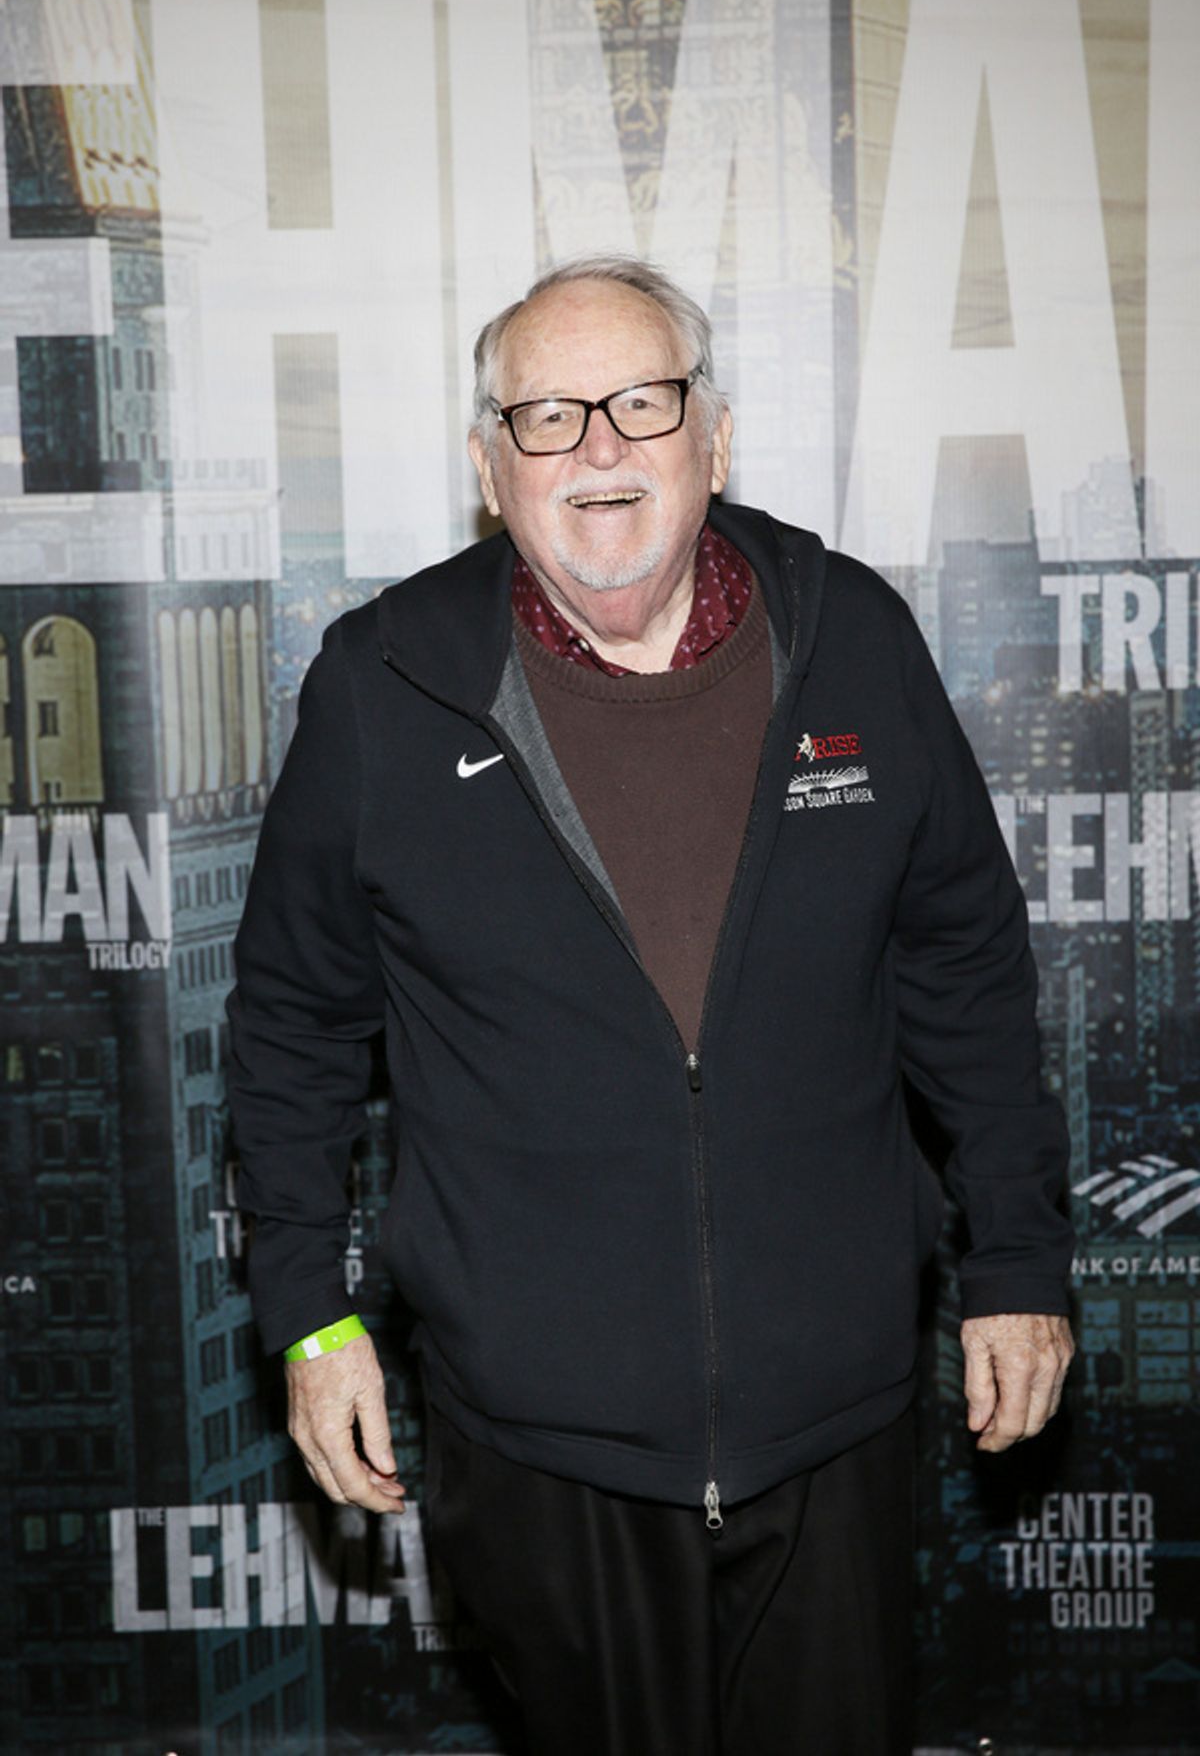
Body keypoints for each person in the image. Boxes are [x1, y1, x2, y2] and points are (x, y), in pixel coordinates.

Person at [228, 254, 1074, 1754]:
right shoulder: (382, 687)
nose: (600, 450)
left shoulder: (854, 636)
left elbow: (967, 968)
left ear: (717, 439)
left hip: (837, 1426)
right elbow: (294, 1021)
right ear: (491, 468)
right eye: (547, 416)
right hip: (537, 1443)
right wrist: (308, 1317)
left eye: (641, 401)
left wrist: (1018, 1253)